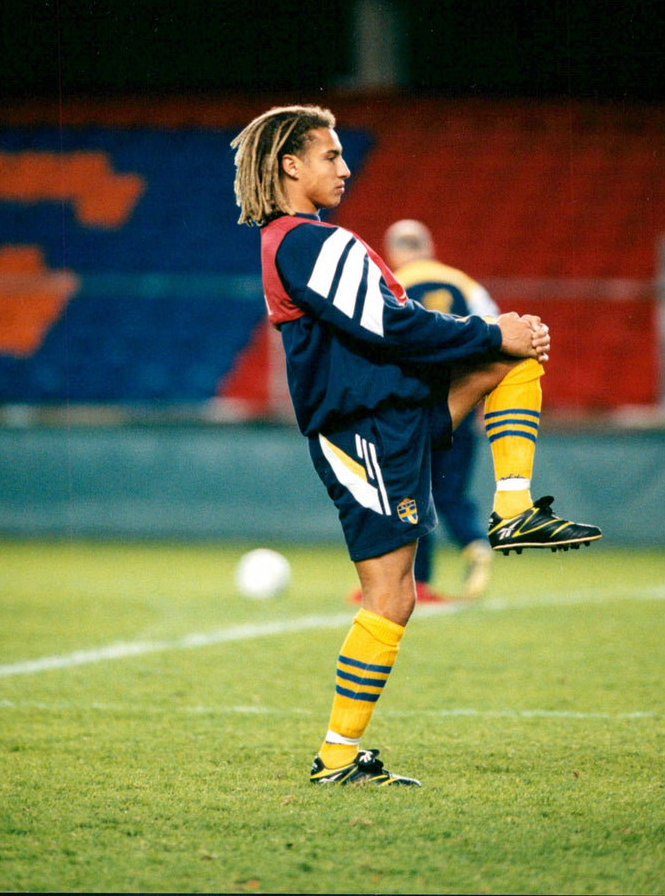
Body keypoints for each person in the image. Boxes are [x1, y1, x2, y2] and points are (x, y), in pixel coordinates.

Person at [230, 105, 601, 787]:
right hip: (365, 428)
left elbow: (390, 327)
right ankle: (337, 758)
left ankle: (513, 506)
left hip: (390, 410)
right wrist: (490, 332)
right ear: (290, 165)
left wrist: (497, 340)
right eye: (329, 156)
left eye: (344, 155)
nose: (344, 168)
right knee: (389, 595)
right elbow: (391, 326)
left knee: (515, 362)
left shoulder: (306, 241)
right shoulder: (303, 241)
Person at [381, 219, 499, 603]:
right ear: (429, 245)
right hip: (459, 407)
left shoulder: (390, 284)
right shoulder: (465, 284)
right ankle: (475, 545)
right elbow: (497, 337)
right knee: (451, 493)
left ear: (393, 250)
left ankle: (419, 581)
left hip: (410, 410)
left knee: (412, 493)